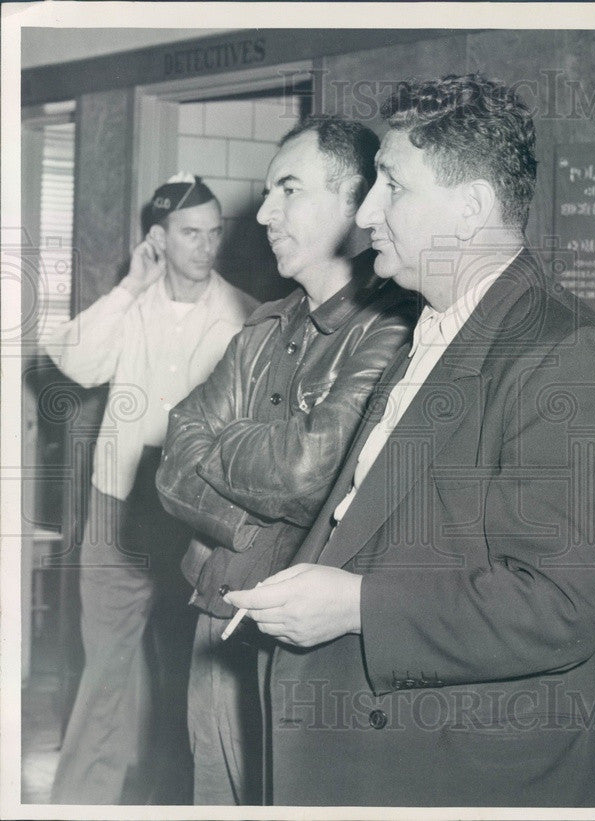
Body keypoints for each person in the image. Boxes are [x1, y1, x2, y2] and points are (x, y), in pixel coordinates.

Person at [223, 74, 595, 807]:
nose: (364, 214)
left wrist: (360, 604)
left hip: (458, 771)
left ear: (472, 206)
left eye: (391, 186)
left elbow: (560, 604)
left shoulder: (573, 357)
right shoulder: (433, 328)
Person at [155, 116, 419, 805]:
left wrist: (219, 446)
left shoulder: (397, 328)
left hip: (306, 632)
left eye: (289, 190)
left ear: (358, 201)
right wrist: (246, 527)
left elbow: (310, 473)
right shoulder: (266, 324)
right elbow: (172, 461)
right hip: (218, 607)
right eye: (270, 192)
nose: (266, 213)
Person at [45, 174, 257, 804]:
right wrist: (129, 286)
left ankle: (170, 803)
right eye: (192, 233)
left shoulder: (245, 316)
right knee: (105, 670)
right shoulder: (131, 303)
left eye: (215, 232)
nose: (207, 245)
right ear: (158, 239)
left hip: (191, 518)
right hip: (115, 509)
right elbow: (71, 361)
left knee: (186, 675)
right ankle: (80, 806)